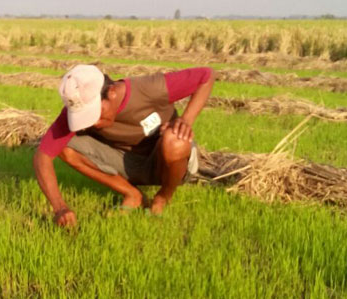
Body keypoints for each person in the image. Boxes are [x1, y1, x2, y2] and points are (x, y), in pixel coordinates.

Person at [33, 64, 214, 227]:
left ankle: (163, 197)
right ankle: (133, 195)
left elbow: (206, 76)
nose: (91, 123)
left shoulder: (148, 89)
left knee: (175, 139)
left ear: (111, 92)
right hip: (127, 165)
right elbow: (43, 155)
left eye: (93, 113)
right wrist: (60, 208)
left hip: (167, 163)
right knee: (65, 147)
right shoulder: (76, 111)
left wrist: (185, 120)